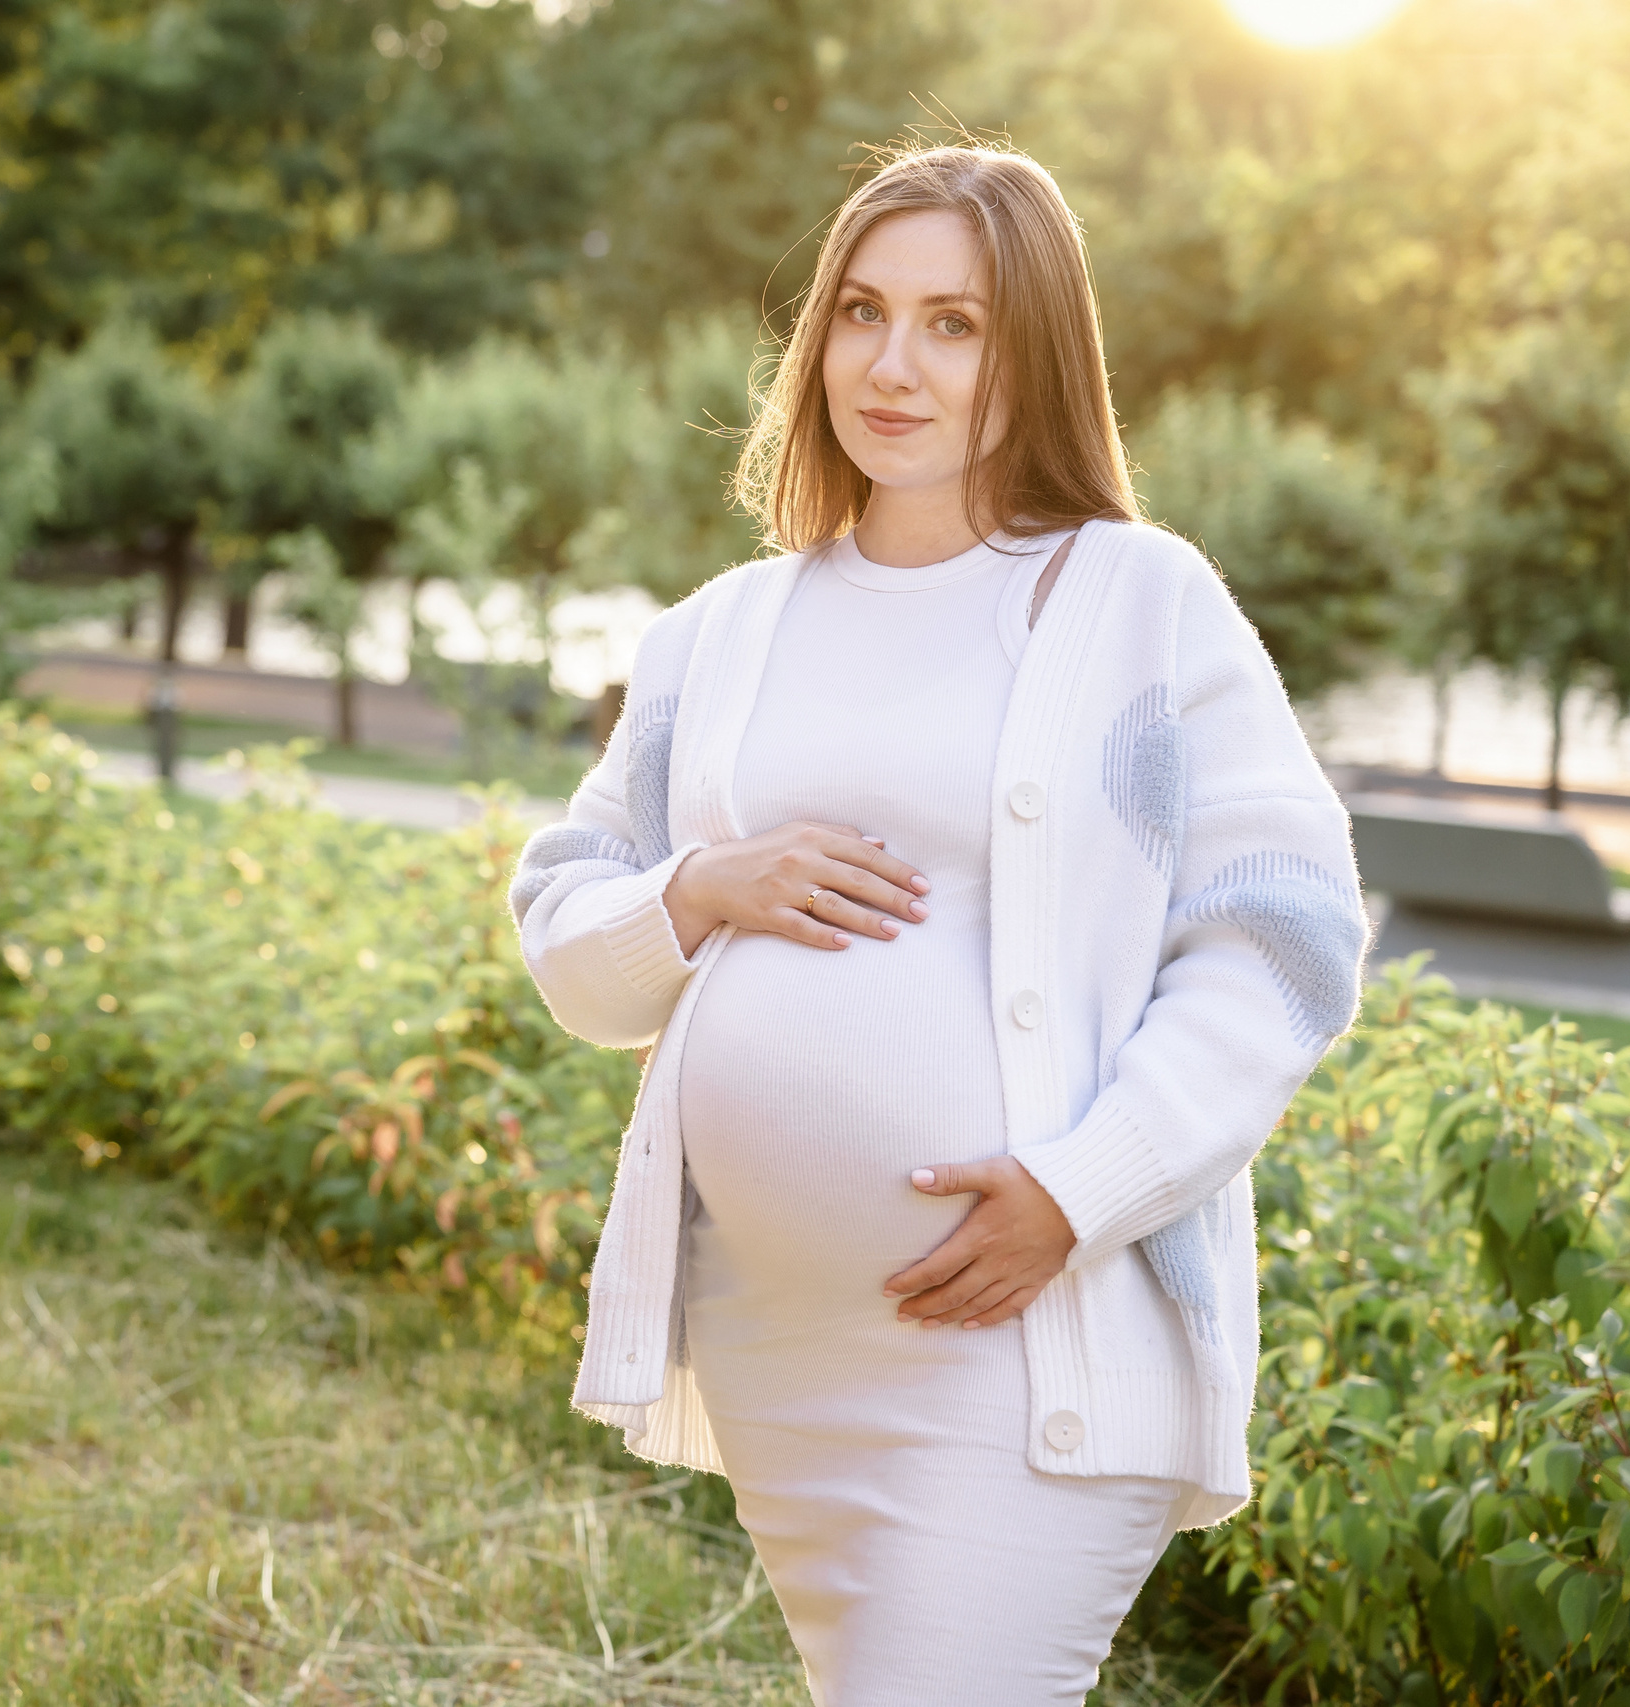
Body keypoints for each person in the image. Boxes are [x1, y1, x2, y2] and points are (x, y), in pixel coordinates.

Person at [506, 143, 1368, 1706]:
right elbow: (571, 948)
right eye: (862, 312)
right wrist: (697, 891)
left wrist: (1079, 1191)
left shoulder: (1134, 603)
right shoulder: (718, 636)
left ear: (1033, 355)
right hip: (782, 1352)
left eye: (953, 325)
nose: (891, 366)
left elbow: (1284, 934)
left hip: (1029, 1341)